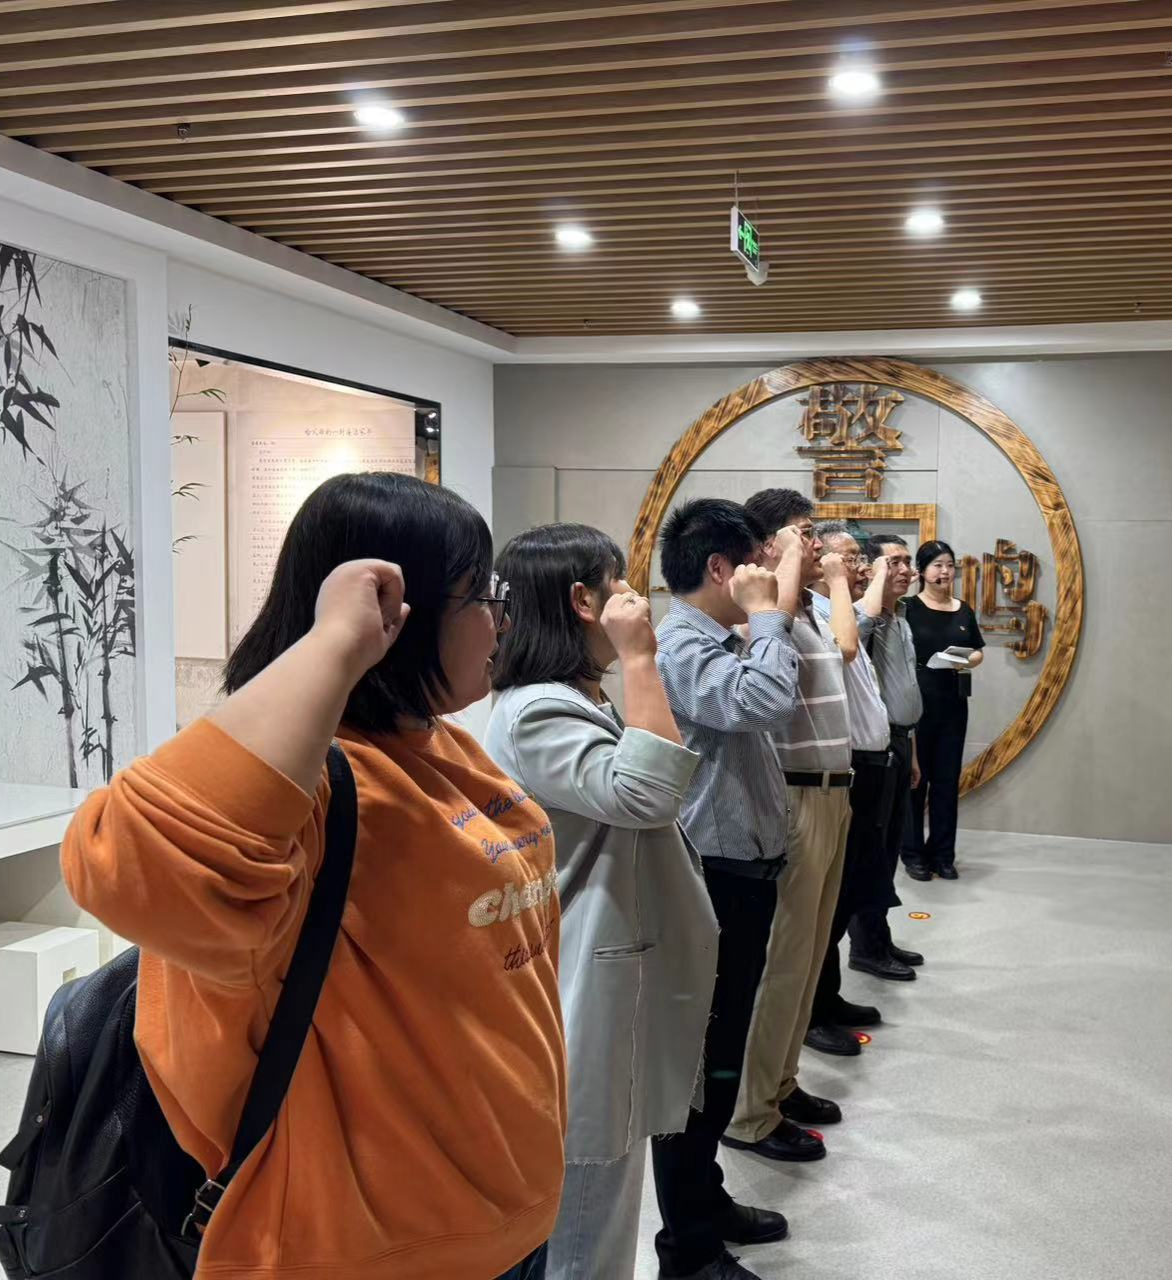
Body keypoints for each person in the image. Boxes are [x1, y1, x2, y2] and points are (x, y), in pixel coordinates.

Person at [59, 471, 564, 1280]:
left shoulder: (445, 745)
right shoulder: (320, 788)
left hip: (506, 1217)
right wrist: (333, 644)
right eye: (481, 594)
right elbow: (121, 860)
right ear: (398, 616)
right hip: (375, 1251)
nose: (501, 619)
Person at [484, 523, 724, 1280]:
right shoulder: (537, 710)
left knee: (607, 1190)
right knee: (590, 1211)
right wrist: (642, 658)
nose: (634, 596)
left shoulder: (572, 698)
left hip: (610, 954)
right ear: (583, 601)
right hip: (589, 973)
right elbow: (649, 793)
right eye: (618, 580)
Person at [652, 497, 803, 1280]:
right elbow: (764, 704)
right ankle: (687, 1247)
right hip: (710, 878)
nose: (765, 575)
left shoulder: (716, 640)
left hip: (739, 874)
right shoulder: (681, 645)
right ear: (721, 568)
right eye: (754, 562)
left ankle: (704, 1201)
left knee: (720, 1057)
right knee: (700, 1066)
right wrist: (769, 617)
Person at [722, 488, 853, 1165]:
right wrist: (791, 564)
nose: (816, 542)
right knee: (782, 963)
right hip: (796, 796)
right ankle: (750, 1114)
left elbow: (848, 647)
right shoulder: (762, 615)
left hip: (834, 792)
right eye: (803, 532)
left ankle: (781, 1082)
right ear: (767, 545)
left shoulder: (808, 611)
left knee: (808, 957)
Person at [806, 523, 907, 1056]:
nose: (860, 567)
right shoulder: (823, 613)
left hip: (870, 764)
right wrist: (843, 581)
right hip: (846, 769)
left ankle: (830, 996)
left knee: (850, 891)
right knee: (831, 900)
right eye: (848, 558)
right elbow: (850, 637)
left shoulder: (839, 609)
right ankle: (814, 1011)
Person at [847, 534, 929, 979]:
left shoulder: (901, 618)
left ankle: (879, 938)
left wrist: (911, 752)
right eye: (892, 562)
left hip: (900, 741)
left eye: (906, 561)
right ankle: (866, 946)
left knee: (891, 846)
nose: (904, 570)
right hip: (874, 749)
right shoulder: (867, 618)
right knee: (873, 852)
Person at [903, 539, 985, 881]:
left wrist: (965, 659)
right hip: (917, 704)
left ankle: (942, 855)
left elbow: (977, 651)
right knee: (915, 780)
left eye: (950, 565)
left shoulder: (963, 609)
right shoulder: (908, 608)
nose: (945, 571)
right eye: (937, 565)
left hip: (953, 704)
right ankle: (912, 854)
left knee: (947, 781)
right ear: (921, 571)